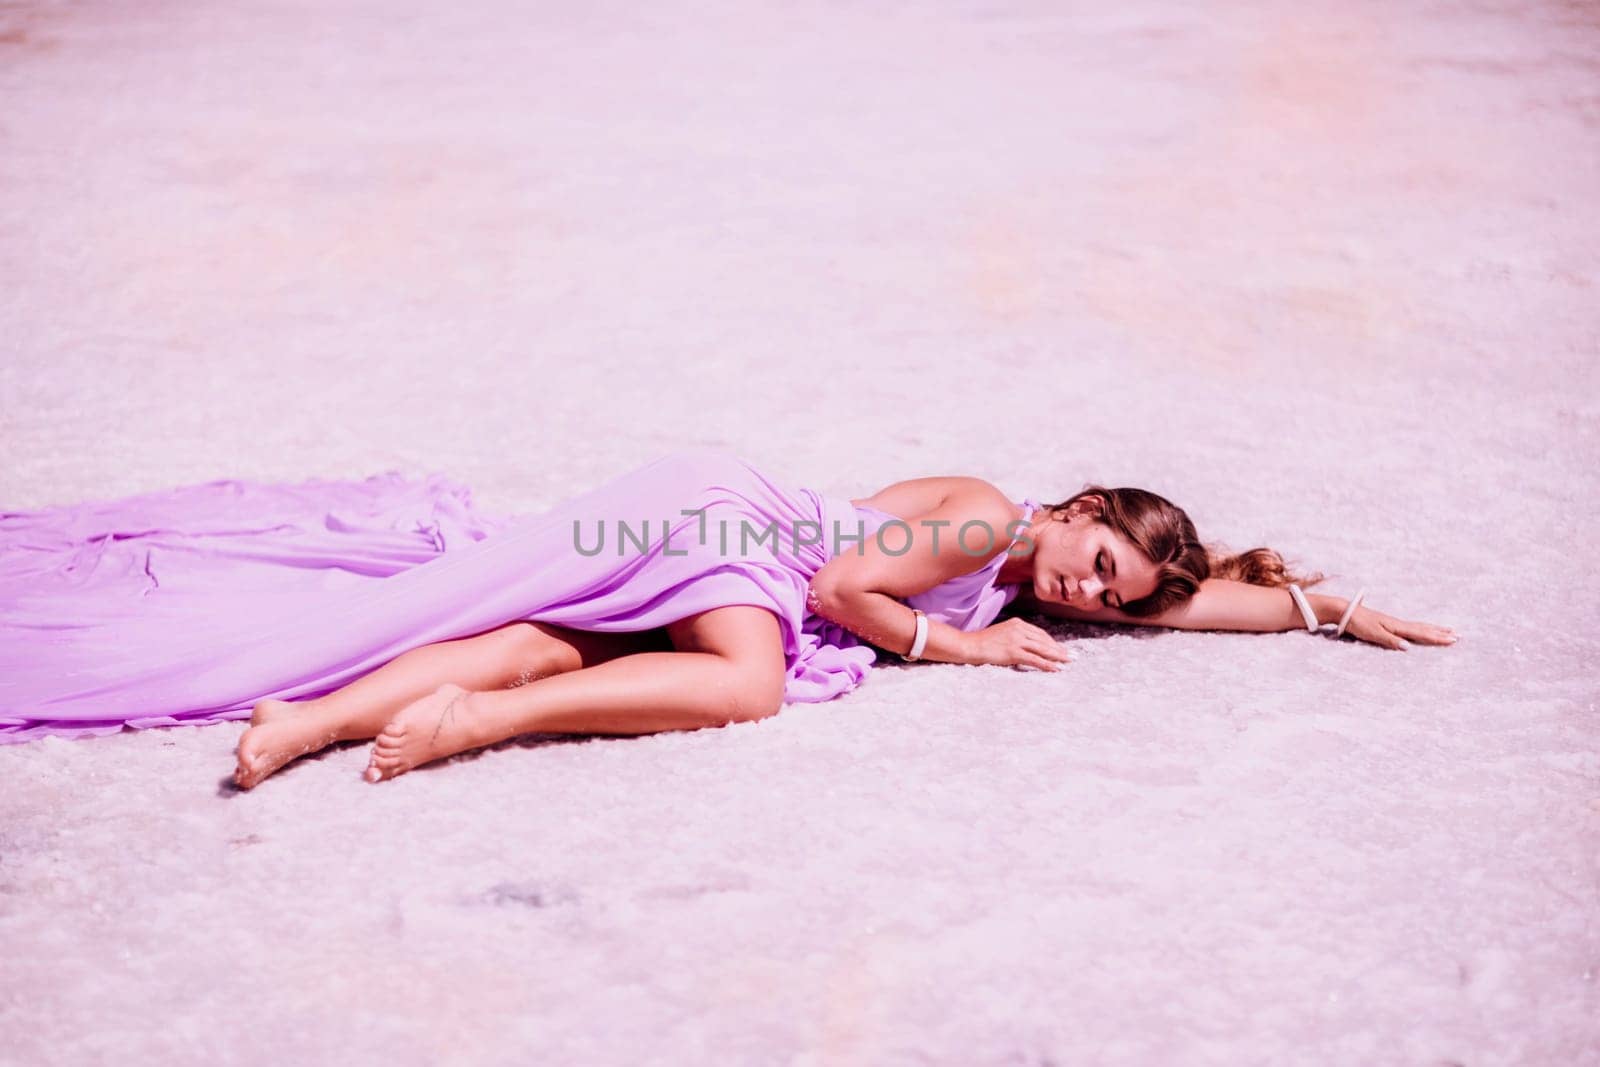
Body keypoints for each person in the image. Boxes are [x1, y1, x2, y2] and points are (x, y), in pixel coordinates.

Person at [0, 449, 1454, 786]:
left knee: (542, 640)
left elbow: (1204, 612)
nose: (1083, 599)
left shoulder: (1054, 586)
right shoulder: (979, 515)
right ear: (1073, 506)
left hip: (740, 578)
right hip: (737, 532)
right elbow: (839, 591)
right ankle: (471, 727)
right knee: (745, 688)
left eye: (1104, 601)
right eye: (1092, 563)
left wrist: (1327, 609)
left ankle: (305, 715)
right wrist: (951, 644)